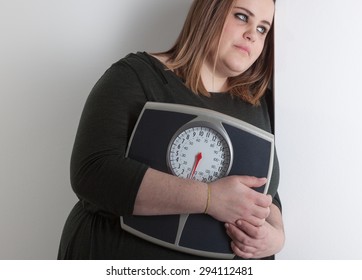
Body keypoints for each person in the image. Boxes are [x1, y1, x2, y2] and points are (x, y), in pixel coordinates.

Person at [58, 0, 284, 260]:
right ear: (209, 12)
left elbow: (267, 191)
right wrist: (209, 198)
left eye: (263, 29)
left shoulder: (261, 105)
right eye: (243, 17)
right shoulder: (137, 76)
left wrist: (276, 235)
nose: (251, 35)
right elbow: (92, 171)